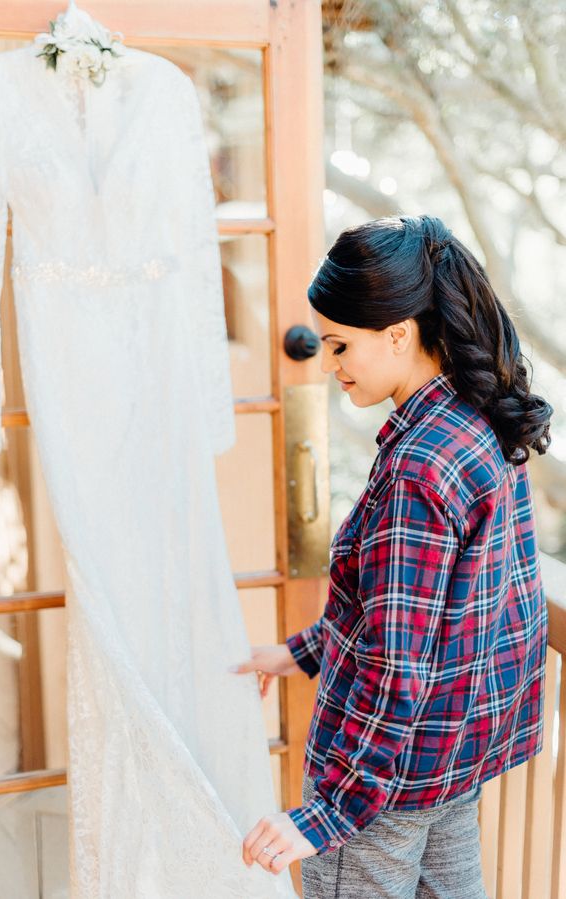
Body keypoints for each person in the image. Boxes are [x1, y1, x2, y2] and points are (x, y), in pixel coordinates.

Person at [230, 214, 552, 898]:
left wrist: (328, 814)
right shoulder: (481, 422)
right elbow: (427, 609)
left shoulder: (418, 467)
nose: (331, 364)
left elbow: (396, 660)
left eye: (341, 345)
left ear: (400, 334)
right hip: (450, 760)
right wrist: (305, 649)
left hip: (380, 780)